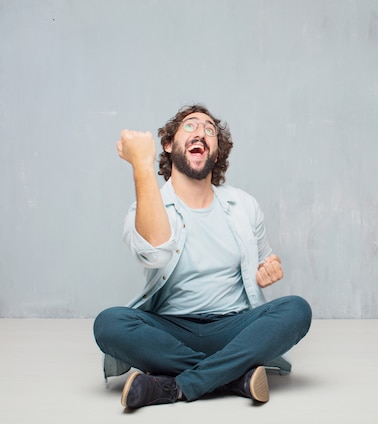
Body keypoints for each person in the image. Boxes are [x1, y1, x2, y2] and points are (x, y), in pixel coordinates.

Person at [93, 104, 312, 409]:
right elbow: (154, 254)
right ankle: (234, 377)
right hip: (169, 331)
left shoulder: (243, 205)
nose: (201, 133)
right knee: (109, 324)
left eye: (210, 130)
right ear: (168, 145)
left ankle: (176, 386)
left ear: (217, 153)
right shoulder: (145, 207)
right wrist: (142, 166)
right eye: (190, 126)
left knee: (297, 310)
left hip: (233, 329)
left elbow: (265, 258)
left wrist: (270, 267)